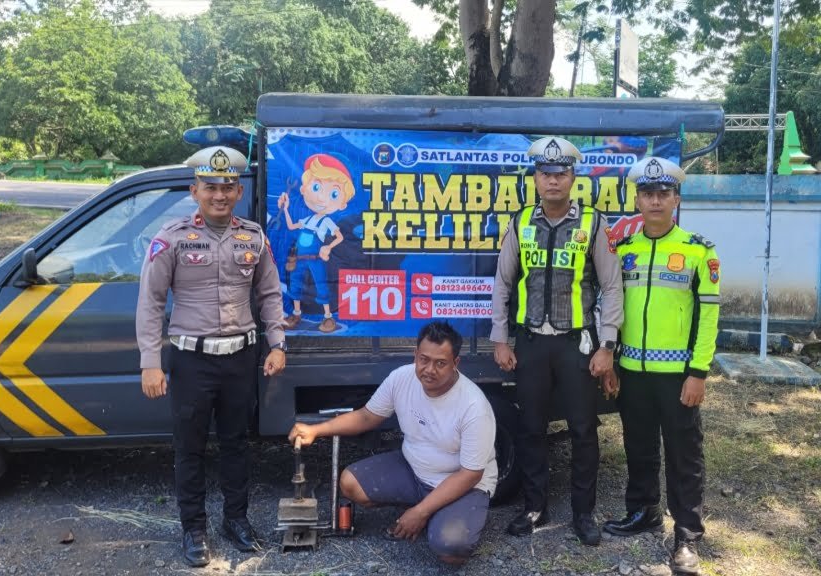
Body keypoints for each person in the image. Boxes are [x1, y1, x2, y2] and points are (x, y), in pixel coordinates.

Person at [136, 146, 287, 567]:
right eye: (210, 187)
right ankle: (194, 529)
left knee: (237, 443)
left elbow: (270, 294)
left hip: (241, 358)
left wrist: (277, 344)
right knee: (191, 447)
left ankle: (235, 520)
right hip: (191, 360)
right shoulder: (172, 239)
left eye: (227, 187)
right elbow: (150, 301)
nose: (219, 195)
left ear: (239, 190)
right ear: (194, 190)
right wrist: (151, 361)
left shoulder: (253, 237)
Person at [490, 136, 623, 546]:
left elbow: (613, 286)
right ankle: (534, 507)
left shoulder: (592, 223)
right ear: (535, 178)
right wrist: (501, 339)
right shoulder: (520, 221)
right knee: (530, 428)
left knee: (583, 428)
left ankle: (584, 514)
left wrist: (607, 346)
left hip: (576, 345)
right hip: (530, 342)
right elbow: (503, 283)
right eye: (545, 174)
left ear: (572, 178)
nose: (552, 181)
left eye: (560, 174)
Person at [288, 321, 497, 565]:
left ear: (455, 364)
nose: (429, 369)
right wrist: (316, 430)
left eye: (441, 363)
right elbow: (367, 416)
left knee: (450, 549)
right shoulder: (401, 378)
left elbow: (471, 474)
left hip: (462, 484)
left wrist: (420, 512)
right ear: (415, 355)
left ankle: (438, 512)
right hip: (414, 470)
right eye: (424, 359)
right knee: (350, 483)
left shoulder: (474, 406)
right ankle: (432, 510)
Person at [602, 156, 720, 575]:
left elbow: (708, 317)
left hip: (678, 377)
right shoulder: (623, 251)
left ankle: (687, 536)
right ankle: (643, 512)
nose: (655, 201)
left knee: (684, 455)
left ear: (676, 198)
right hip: (632, 372)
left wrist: (698, 372)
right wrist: (612, 359)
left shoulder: (697, 251)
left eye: (663, 194)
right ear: (636, 198)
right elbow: (611, 308)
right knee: (639, 445)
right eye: (648, 194)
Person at [278, 154, 356, 332]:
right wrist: (286, 208)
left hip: (315, 258)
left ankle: (328, 317)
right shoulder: (307, 219)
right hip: (299, 257)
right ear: (305, 189)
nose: (321, 198)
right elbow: (290, 226)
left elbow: (340, 237)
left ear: (342, 204)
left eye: (333, 194)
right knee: (295, 283)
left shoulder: (327, 222)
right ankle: (296, 313)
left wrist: (327, 246)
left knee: (320, 284)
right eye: (316, 187)